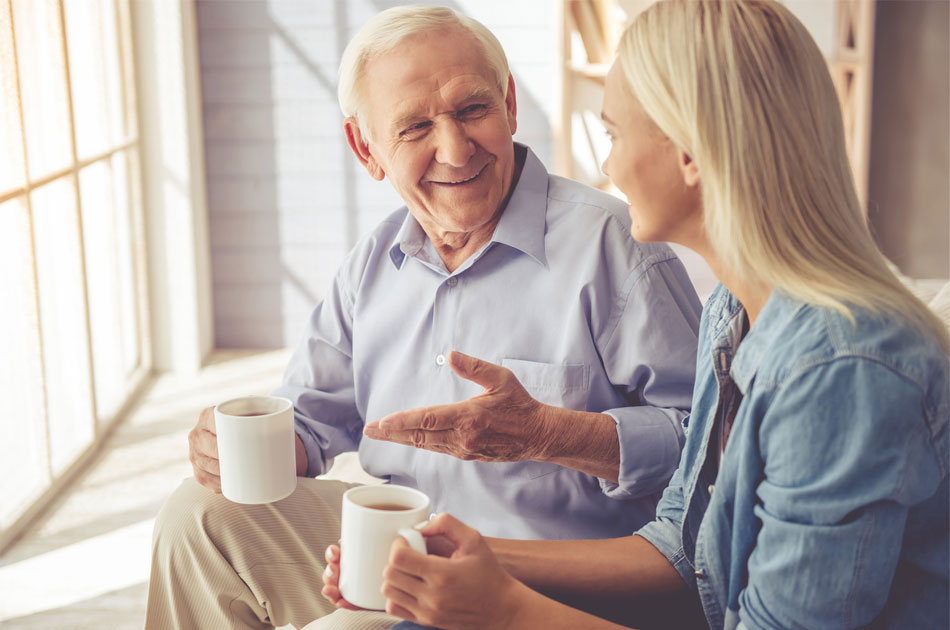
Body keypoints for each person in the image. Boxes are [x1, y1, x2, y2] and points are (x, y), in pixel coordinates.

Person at [320, 1, 950, 628]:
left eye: (615, 135)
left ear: (689, 153)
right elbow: (687, 548)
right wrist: (462, 556)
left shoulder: (840, 372)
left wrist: (505, 607)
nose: (606, 166)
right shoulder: (736, 312)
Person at [144, 5, 703, 630]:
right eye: (414, 128)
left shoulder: (617, 246)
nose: (455, 148)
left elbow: (711, 448)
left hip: (549, 581)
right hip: (398, 548)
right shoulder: (372, 265)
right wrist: (237, 449)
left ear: (509, 103)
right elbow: (308, 422)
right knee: (201, 515)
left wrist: (551, 434)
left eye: (472, 110)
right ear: (367, 148)